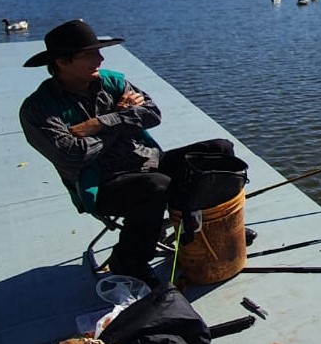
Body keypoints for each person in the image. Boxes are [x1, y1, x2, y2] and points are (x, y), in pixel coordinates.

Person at [19, 18, 233, 286]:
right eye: (90, 54)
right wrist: (121, 116)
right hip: (101, 184)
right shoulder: (37, 109)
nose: (101, 58)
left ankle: (209, 231)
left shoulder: (112, 82)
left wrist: (101, 122)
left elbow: (152, 114)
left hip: (148, 161)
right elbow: (74, 155)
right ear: (62, 62)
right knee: (157, 186)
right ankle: (129, 260)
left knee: (221, 152)